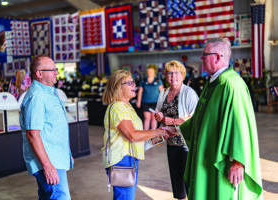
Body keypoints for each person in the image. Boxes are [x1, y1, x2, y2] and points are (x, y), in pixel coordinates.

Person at [163, 38, 263, 200]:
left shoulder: (231, 85)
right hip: (206, 157)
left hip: (222, 160)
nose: (201, 59)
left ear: (217, 56)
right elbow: (200, 120)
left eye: (204, 55)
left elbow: (241, 125)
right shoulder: (212, 84)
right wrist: (177, 130)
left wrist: (238, 161)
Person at [102, 70, 170, 200]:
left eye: (133, 82)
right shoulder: (118, 107)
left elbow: (138, 139)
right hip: (122, 162)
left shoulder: (127, 107)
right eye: (130, 83)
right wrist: (159, 131)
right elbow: (132, 135)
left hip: (129, 160)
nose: (135, 85)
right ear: (118, 86)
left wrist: (161, 136)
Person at [20, 55, 73, 200]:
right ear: (39, 73)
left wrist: (66, 154)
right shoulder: (37, 96)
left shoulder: (49, 92)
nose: (56, 72)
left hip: (55, 159)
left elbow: (52, 128)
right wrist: (47, 166)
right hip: (49, 162)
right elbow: (32, 134)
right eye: (52, 69)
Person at [154, 60, 199, 200]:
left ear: (183, 75)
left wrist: (173, 122)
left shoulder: (189, 93)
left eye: (176, 73)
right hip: (171, 143)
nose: (173, 76)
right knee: (177, 182)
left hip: (186, 144)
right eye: (169, 73)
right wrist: (159, 116)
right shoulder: (164, 92)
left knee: (189, 182)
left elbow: (196, 118)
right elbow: (158, 112)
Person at [137, 64, 164, 130]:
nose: (149, 73)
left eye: (151, 72)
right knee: (147, 119)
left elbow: (162, 92)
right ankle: (145, 136)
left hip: (155, 103)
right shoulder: (143, 81)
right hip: (146, 103)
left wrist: (163, 102)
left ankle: (153, 135)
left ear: (154, 72)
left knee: (154, 119)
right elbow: (140, 92)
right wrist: (138, 102)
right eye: (148, 72)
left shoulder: (158, 81)